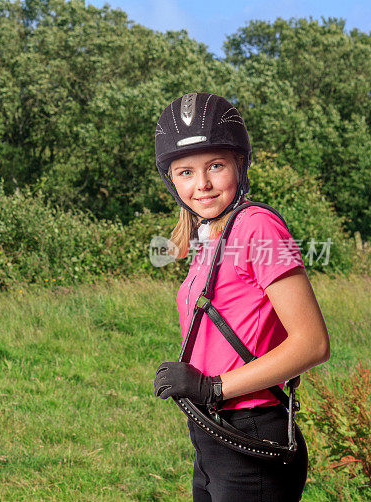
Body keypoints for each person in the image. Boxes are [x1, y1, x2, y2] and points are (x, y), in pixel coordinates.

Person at [151, 92, 331, 501]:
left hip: (250, 432)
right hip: (214, 437)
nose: (203, 185)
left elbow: (313, 343)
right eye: (185, 172)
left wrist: (212, 387)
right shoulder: (213, 237)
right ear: (171, 179)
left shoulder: (257, 228)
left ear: (239, 166)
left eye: (216, 166)